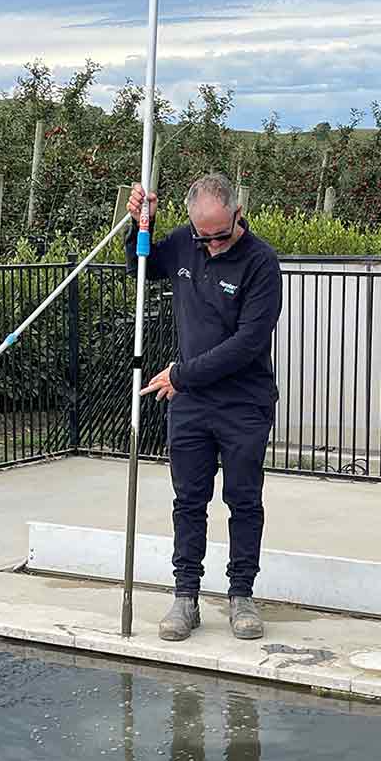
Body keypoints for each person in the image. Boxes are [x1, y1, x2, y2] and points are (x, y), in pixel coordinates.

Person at [125, 173, 282, 642]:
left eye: (220, 233)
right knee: (189, 501)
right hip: (190, 405)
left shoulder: (261, 262)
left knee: (243, 500)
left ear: (238, 213)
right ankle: (185, 596)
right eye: (203, 235)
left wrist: (180, 374)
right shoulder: (183, 245)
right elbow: (140, 266)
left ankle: (241, 596)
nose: (212, 244)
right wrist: (140, 224)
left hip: (243, 404)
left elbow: (248, 344)